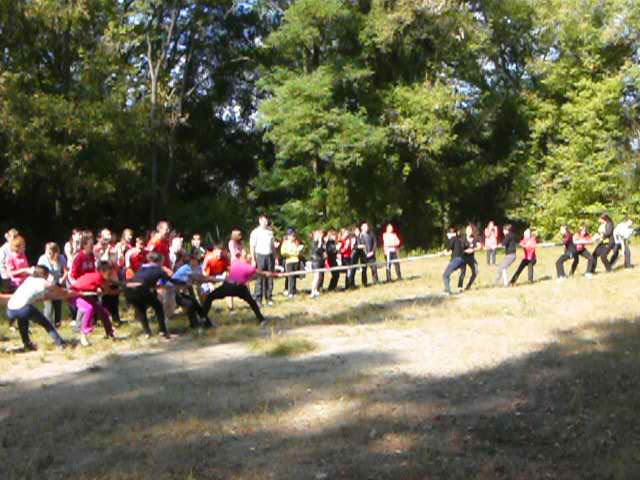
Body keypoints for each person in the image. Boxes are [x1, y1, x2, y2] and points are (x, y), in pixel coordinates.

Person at [6, 265, 72, 351]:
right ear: (45, 274)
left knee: (22, 321)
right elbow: (59, 291)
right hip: (23, 308)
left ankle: (27, 344)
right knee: (46, 324)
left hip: (10, 309)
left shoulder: (29, 279)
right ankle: (61, 344)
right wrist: (70, 293)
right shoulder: (44, 283)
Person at [124, 252, 185, 339]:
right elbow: (172, 280)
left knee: (141, 309)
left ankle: (147, 332)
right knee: (158, 307)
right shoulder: (159, 270)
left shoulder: (142, 268)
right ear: (160, 261)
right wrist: (184, 282)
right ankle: (163, 331)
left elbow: (146, 279)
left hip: (128, 289)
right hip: (141, 288)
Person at [202, 255, 274, 326]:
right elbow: (263, 273)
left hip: (228, 286)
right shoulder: (249, 268)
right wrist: (275, 274)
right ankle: (261, 319)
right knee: (252, 302)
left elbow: (225, 266)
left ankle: (203, 319)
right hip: (239, 288)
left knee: (210, 297)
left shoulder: (235, 262)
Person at [71, 261, 119, 346]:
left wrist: (98, 289)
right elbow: (109, 292)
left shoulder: (96, 277)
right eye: (109, 274)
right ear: (102, 272)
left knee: (103, 312)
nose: (110, 276)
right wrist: (121, 290)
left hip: (84, 295)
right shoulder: (98, 277)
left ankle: (110, 333)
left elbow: (94, 286)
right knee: (89, 308)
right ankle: (83, 336)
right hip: (74, 294)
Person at [172, 253, 215, 329]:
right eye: (195, 260)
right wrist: (217, 279)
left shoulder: (194, 268)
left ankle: (205, 323)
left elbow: (199, 279)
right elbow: (200, 279)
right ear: (191, 261)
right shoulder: (186, 269)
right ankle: (197, 324)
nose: (197, 262)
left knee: (195, 304)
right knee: (191, 304)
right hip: (172, 293)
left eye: (197, 261)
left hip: (179, 292)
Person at [37, 242, 68, 327]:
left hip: (57, 283)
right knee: (48, 305)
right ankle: (47, 323)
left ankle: (57, 323)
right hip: (46, 284)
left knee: (58, 304)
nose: (48, 254)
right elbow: (39, 272)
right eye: (47, 251)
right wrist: (48, 278)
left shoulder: (61, 258)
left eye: (50, 252)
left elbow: (65, 271)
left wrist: (63, 278)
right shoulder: (42, 259)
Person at [249, 215, 275, 306]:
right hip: (260, 256)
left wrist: (275, 257)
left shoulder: (270, 232)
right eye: (264, 221)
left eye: (266, 221)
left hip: (269, 256)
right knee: (259, 278)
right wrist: (253, 259)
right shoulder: (255, 232)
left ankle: (269, 298)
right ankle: (258, 299)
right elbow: (252, 246)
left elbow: (272, 246)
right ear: (260, 221)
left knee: (269, 277)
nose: (265, 222)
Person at [443, 227, 465, 294]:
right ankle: (457, 287)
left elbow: (448, 249)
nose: (447, 235)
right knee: (450, 273)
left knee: (445, 275)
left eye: (448, 233)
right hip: (462, 260)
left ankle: (447, 290)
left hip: (456, 260)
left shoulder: (453, 238)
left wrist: (444, 252)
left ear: (451, 234)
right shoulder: (460, 239)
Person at [459, 224, 481, 291]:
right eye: (467, 230)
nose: (468, 232)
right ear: (466, 231)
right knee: (463, 272)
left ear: (472, 231)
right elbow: (460, 249)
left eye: (470, 230)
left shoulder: (475, 239)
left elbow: (479, 247)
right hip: (464, 257)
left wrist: (473, 249)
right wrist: (466, 251)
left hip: (471, 258)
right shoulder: (463, 239)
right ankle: (460, 287)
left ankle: (468, 286)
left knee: (475, 271)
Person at [280, 230, 302, 298]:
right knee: (290, 277)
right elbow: (283, 252)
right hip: (289, 262)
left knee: (294, 277)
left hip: (296, 261)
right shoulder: (285, 243)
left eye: (294, 236)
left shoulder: (294, 243)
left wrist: (298, 251)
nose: (293, 237)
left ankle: (294, 291)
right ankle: (290, 292)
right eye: (292, 236)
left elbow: (297, 253)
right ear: (289, 236)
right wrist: (292, 254)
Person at [0, 228, 19, 293]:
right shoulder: (3, 249)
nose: (15, 239)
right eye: (14, 237)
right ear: (9, 237)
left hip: (17, 276)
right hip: (7, 278)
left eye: (16, 237)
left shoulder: (18, 248)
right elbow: (1, 264)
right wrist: (7, 275)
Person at [310, 229, 325, 298]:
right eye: (318, 235)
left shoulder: (319, 242)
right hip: (315, 261)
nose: (320, 236)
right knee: (316, 277)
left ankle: (315, 290)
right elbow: (316, 251)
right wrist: (320, 243)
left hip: (319, 261)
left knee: (318, 277)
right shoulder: (314, 242)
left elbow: (321, 251)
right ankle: (312, 292)